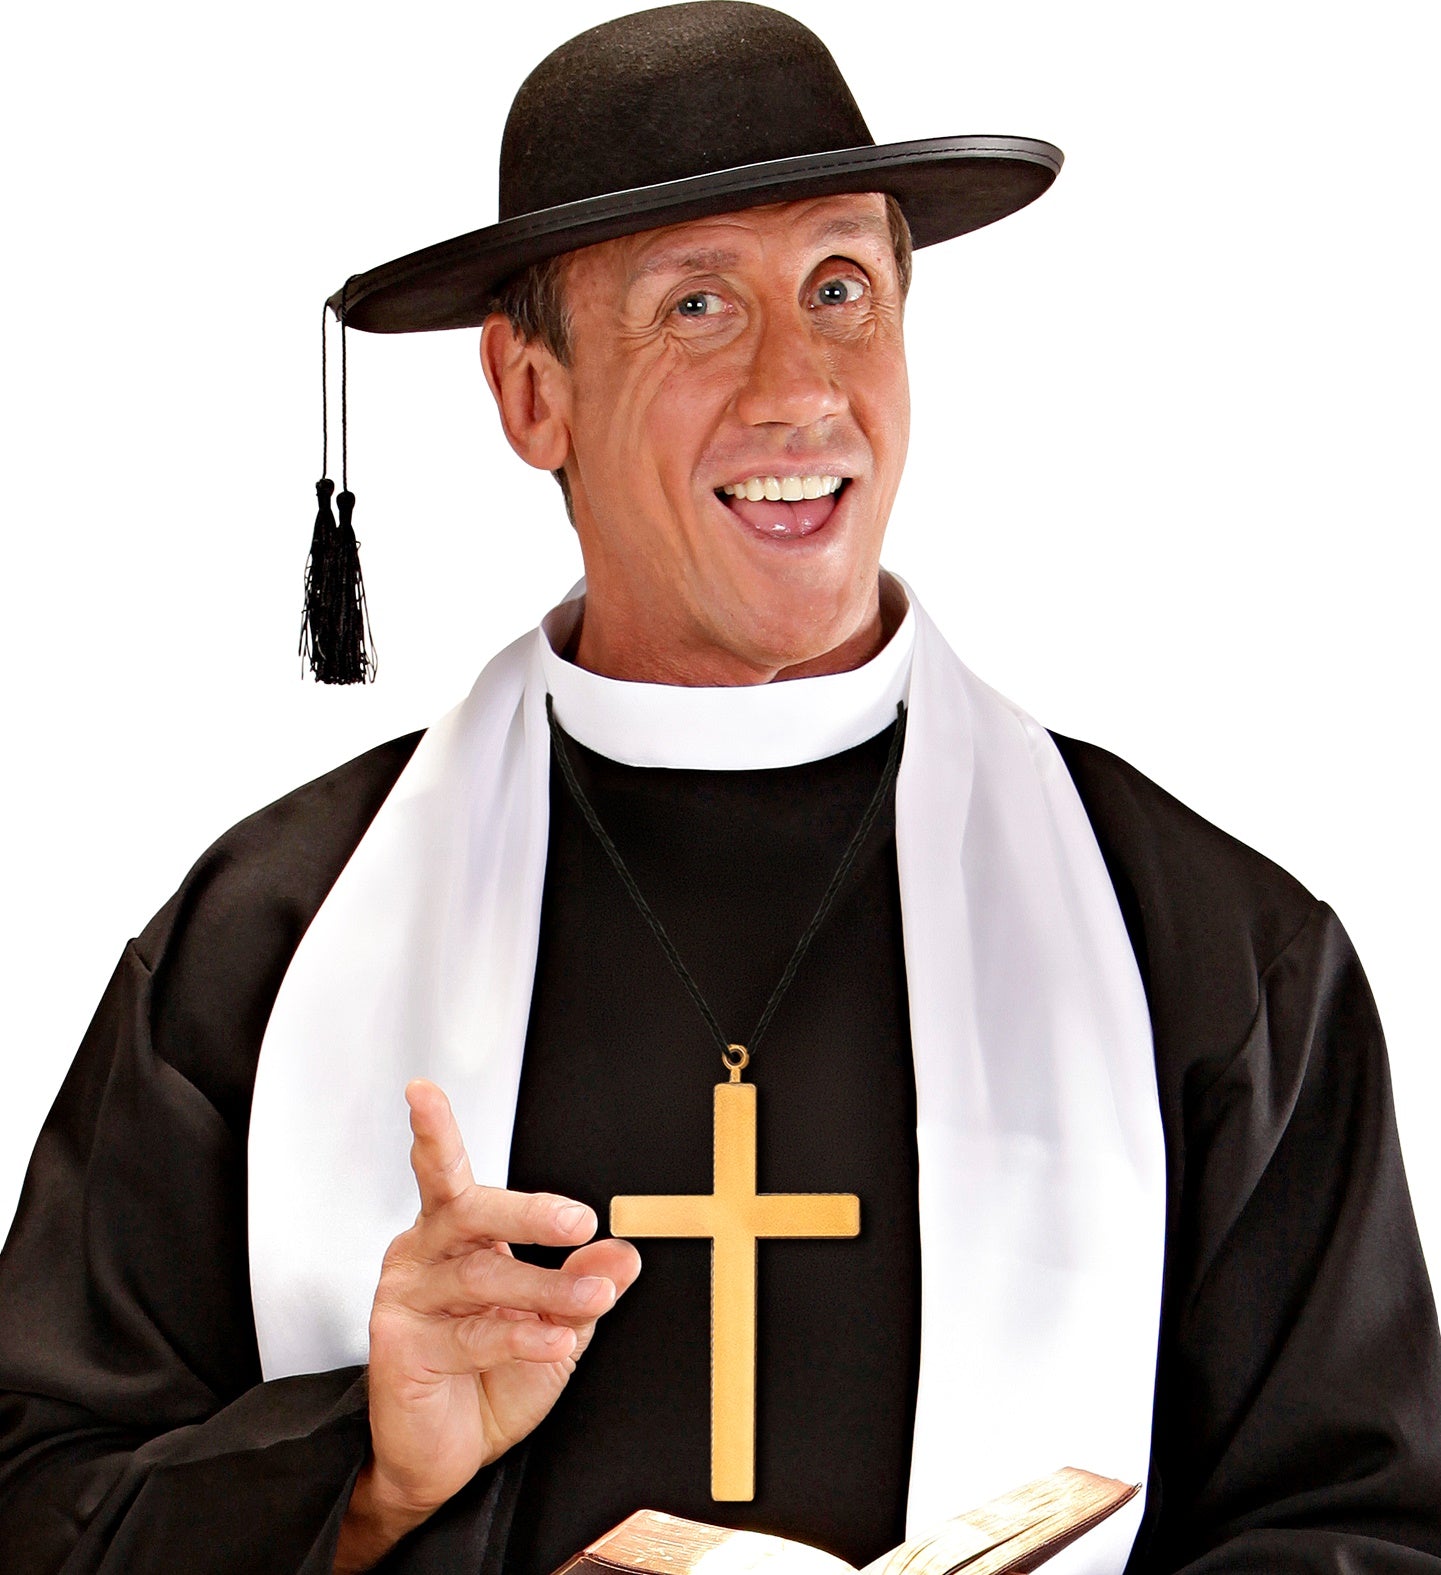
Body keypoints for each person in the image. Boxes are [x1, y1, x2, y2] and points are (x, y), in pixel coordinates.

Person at [1, 4, 1438, 1573]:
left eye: (840, 291)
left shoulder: (1207, 951)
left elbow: (1359, 1527)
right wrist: (359, 1478)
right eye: (695, 306)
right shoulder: (266, 945)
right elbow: (34, 1504)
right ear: (528, 394)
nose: (796, 387)